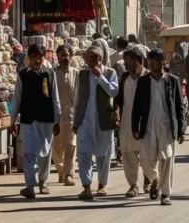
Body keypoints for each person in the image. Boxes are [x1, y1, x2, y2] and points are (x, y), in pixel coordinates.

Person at [131, 49, 185, 206]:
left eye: (153, 61)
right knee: (145, 158)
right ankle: (155, 178)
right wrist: (135, 126)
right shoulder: (143, 81)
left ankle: (166, 194)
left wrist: (181, 129)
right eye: (149, 61)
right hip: (148, 125)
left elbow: (179, 106)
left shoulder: (172, 81)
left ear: (162, 63)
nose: (150, 64)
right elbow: (136, 106)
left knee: (167, 159)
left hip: (166, 126)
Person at [10, 44, 61, 199]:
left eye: (40, 56)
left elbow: (55, 99)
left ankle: (42, 181)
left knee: (45, 154)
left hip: (46, 120)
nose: (38, 60)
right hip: (28, 120)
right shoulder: (23, 75)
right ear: (29, 58)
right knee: (29, 153)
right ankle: (30, 186)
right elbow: (17, 99)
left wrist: (57, 121)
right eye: (34, 57)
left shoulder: (50, 74)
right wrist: (13, 121)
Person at [73, 44, 119, 200]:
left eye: (93, 59)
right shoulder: (82, 75)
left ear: (100, 59)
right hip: (85, 120)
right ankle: (86, 186)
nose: (90, 62)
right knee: (83, 153)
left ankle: (102, 185)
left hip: (103, 119)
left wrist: (100, 77)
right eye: (88, 59)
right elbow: (77, 98)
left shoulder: (110, 72)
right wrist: (75, 121)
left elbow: (113, 91)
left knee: (103, 154)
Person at [114, 47, 149, 197]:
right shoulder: (124, 78)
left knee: (147, 153)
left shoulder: (149, 77)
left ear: (138, 61)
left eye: (129, 60)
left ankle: (149, 180)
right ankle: (133, 185)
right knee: (128, 152)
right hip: (127, 121)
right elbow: (120, 98)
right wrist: (114, 111)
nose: (126, 63)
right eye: (125, 60)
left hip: (146, 121)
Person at [52, 45, 78, 186]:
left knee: (71, 145)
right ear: (57, 56)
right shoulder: (52, 74)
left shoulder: (76, 73)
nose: (64, 57)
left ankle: (68, 174)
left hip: (72, 115)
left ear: (71, 57)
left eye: (67, 55)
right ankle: (61, 172)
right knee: (56, 146)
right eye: (62, 55)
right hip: (56, 115)